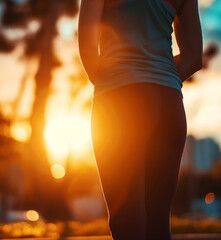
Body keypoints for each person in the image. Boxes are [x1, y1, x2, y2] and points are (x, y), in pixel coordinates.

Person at [78, 0, 202, 239]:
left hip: (119, 99)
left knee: (127, 223)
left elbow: (88, 51)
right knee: (158, 225)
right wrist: (160, 77)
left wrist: (117, 84)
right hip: (169, 104)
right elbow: (194, 57)